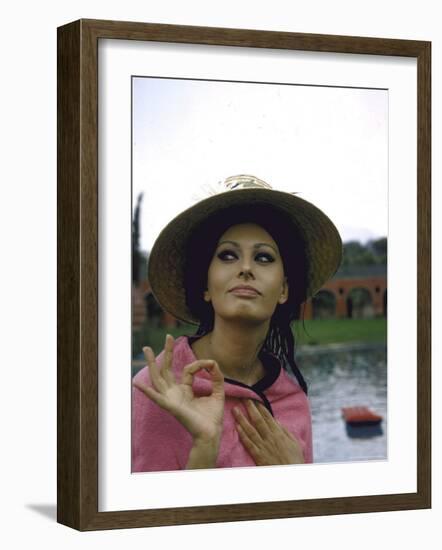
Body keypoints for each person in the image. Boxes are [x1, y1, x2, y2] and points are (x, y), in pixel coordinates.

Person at [132, 175, 342, 472]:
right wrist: (205, 447)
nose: (245, 268)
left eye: (264, 257)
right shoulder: (157, 391)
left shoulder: (294, 402)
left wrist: (294, 473)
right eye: (228, 255)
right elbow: (147, 516)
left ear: (283, 290)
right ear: (206, 285)